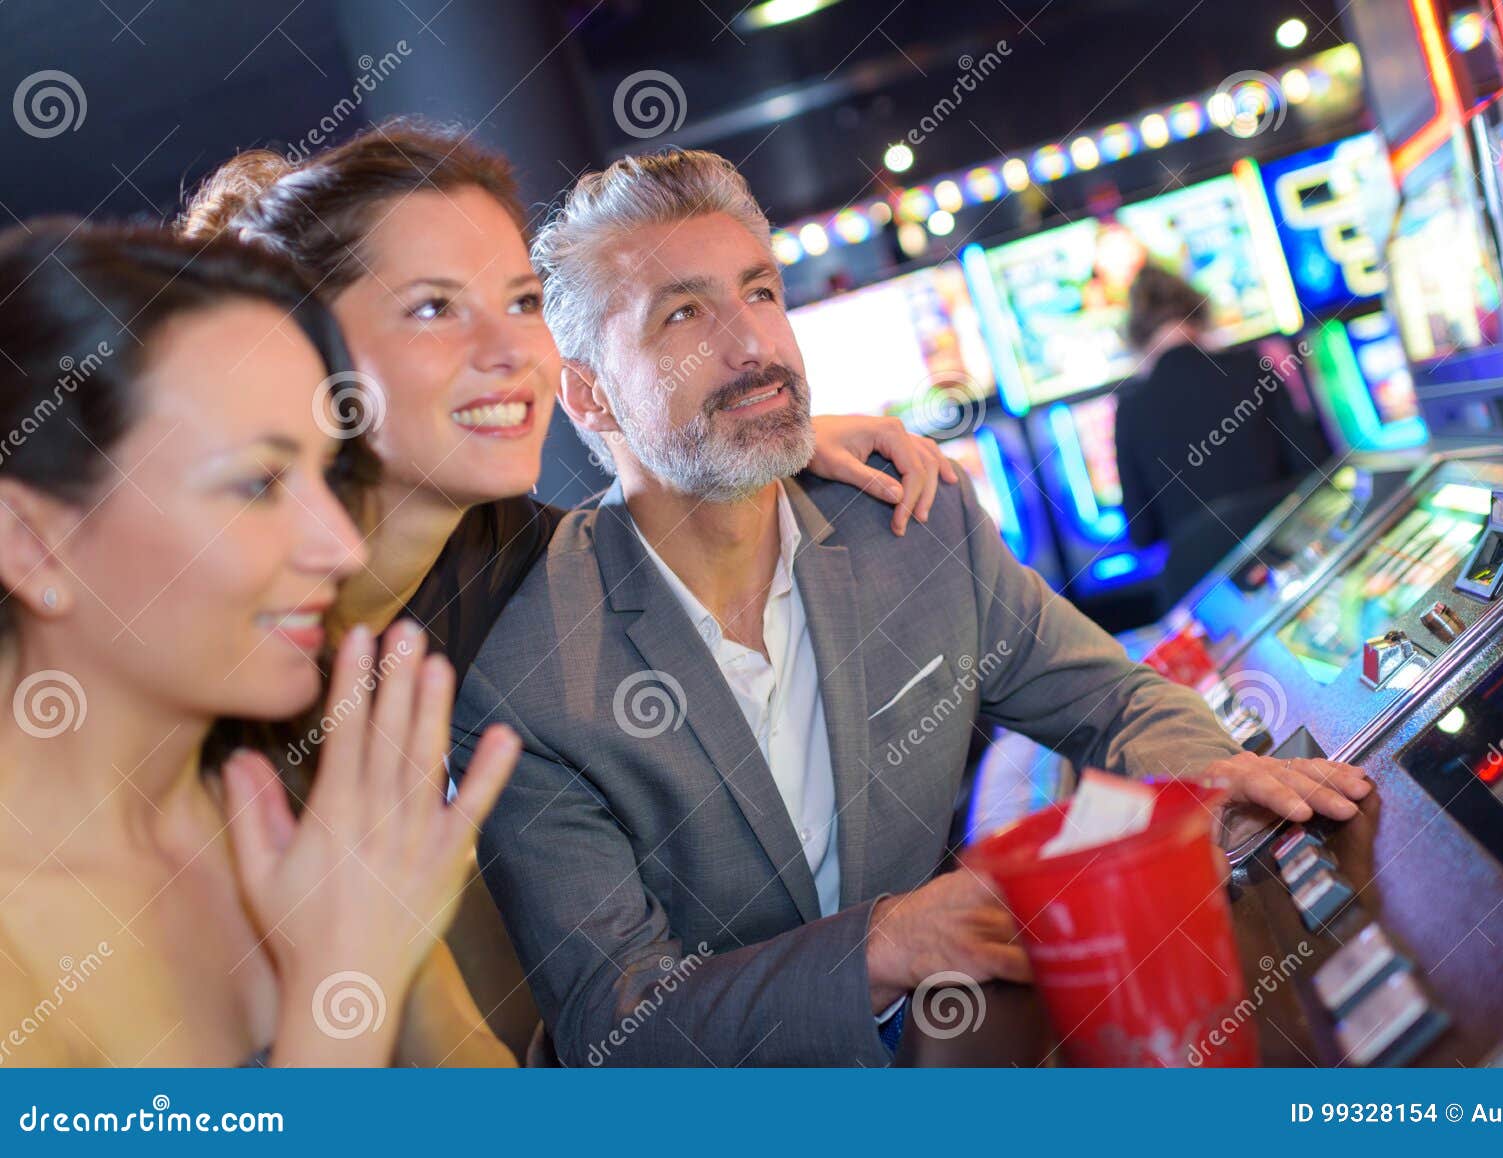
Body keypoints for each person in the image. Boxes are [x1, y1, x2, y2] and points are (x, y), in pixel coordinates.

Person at [451, 149, 1374, 1067]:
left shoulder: (911, 524)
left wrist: (1208, 770)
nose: (752, 346)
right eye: (684, 314)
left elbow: (1114, 702)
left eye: (761, 292)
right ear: (588, 393)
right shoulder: (528, 673)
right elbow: (621, 1029)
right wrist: (883, 945)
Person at [179, 122, 957, 1055]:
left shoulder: (493, 549)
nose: (512, 351)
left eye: (520, 302)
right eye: (433, 308)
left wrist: (772, 433)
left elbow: (436, 1022)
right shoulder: (204, 671)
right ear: (300, 357)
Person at [0, 223, 520, 1066]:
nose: (342, 549)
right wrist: (340, 998)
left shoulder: (301, 788)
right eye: (257, 484)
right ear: (34, 542)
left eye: (326, 474)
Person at [1113, 264, 1330, 603]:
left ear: (1136, 337)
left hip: (1208, 595)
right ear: (1201, 314)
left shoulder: (1130, 409)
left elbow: (1142, 533)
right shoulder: (1253, 368)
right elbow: (1314, 470)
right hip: (1290, 566)